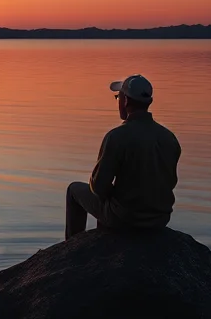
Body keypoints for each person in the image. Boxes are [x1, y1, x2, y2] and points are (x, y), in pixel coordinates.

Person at [65, 74, 181, 239]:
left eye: (118, 97)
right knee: (111, 200)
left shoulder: (117, 137)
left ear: (125, 101)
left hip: (126, 219)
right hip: (159, 220)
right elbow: (170, 182)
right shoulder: (169, 138)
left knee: (73, 190)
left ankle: (71, 249)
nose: (118, 101)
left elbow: (98, 186)